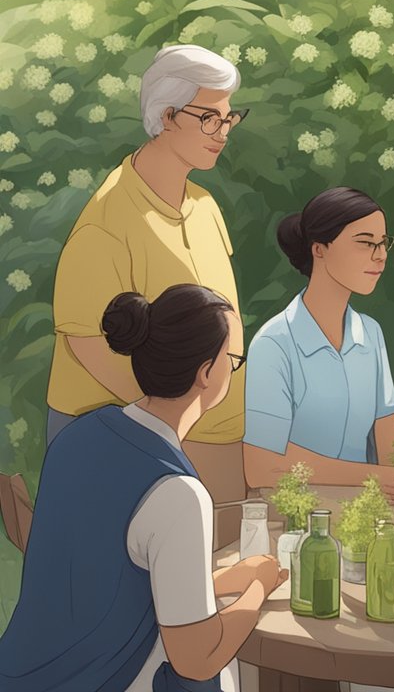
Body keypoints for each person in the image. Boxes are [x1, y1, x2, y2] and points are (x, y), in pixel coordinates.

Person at [0, 286, 287, 691]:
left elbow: (108, 580)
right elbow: (196, 658)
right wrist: (257, 589)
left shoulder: (79, 435)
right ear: (206, 373)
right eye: (235, 361)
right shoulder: (179, 493)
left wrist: (225, 579)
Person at [47, 44, 249, 506]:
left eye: (229, 117)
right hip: (130, 445)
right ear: (166, 115)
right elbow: (89, 344)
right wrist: (180, 418)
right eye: (209, 118)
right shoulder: (107, 220)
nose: (223, 132)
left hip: (216, 435)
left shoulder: (204, 207)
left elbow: (228, 316)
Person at [243, 188, 394, 505]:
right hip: (295, 516)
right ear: (319, 249)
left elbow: (388, 436)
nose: (380, 255)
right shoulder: (274, 344)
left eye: (383, 243)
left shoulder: (371, 334)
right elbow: (262, 465)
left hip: (368, 512)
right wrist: (371, 476)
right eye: (365, 243)